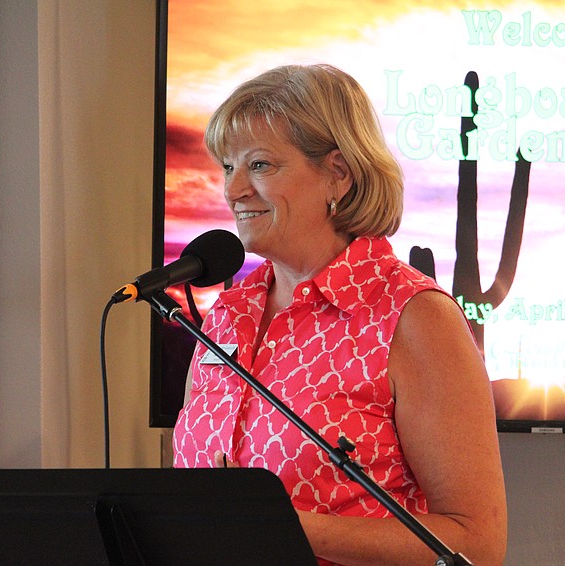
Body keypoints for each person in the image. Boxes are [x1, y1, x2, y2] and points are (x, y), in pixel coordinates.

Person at [172, 64, 507, 566]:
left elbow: (476, 543)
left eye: (259, 165)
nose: (233, 189)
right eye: (227, 166)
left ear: (338, 173)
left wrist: (292, 530)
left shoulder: (414, 316)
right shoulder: (226, 315)